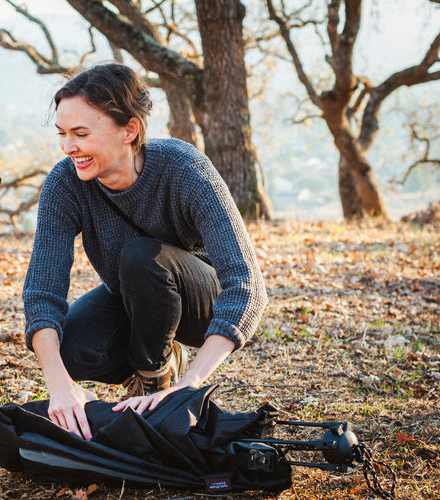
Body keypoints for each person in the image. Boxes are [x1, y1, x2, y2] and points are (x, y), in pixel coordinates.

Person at [22, 63, 267, 441]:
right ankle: (157, 357)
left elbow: (247, 286)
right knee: (70, 347)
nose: (68, 147)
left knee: (141, 256)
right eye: (62, 134)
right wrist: (59, 384)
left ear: (129, 130)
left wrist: (191, 384)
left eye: (81, 133)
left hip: (200, 302)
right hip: (130, 295)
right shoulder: (64, 183)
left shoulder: (185, 169)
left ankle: (157, 375)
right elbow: (42, 290)